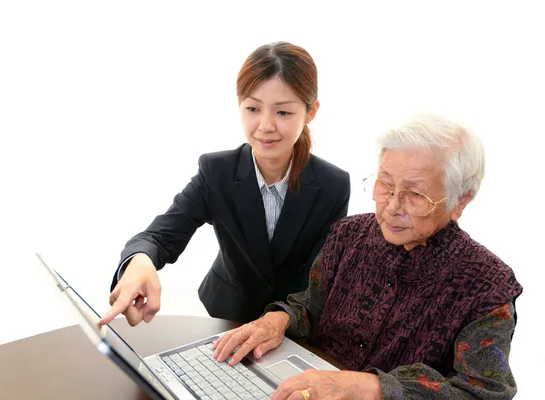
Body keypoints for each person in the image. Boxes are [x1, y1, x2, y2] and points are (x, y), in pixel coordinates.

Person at [212, 114, 523, 399]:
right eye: (385, 184)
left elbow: (483, 391)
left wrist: (369, 387)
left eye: (415, 194)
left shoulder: (487, 286)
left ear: (461, 201)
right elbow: (311, 308)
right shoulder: (348, 236)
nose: (391, 207)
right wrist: (278, 319)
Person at [99, 42, 351, 327]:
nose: (265, 125)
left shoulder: (334, 185)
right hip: (225, 314)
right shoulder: (216, 171)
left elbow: (322, 278)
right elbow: (159, 236)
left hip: (290, 325)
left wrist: (282, 319)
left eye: (283, 112)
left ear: (311, 112)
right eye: (253, 108)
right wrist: (140, 262)